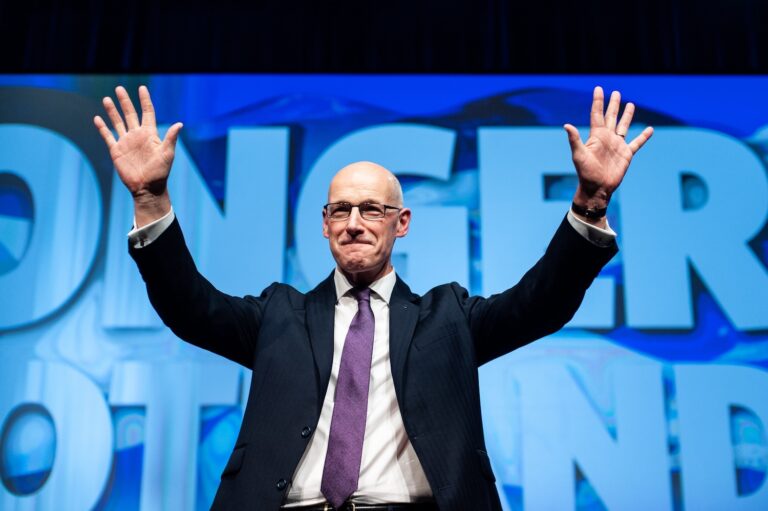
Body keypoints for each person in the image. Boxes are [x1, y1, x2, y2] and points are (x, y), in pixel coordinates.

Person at [94, 85, 652, 511]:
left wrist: (591, 201)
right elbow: (189, 306)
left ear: (401, 223)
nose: (354, 223)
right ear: (323, 224)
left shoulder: (449, 317)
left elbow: (542, 302)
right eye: (341, 210)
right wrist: (150, 196)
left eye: (372, 210)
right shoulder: (278, 316)